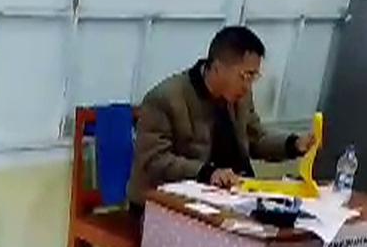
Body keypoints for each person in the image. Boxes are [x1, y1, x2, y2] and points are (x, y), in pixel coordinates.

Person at [127, 25, 315, 209]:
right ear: (217, 68)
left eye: (254, 77)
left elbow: (256, 138)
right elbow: (155, 160)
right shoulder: (165, 98)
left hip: (229, 196)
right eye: (245, 76)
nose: (248, 86)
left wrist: (294, 144)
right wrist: (207, 173)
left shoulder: (240, 97)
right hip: (166, 205)